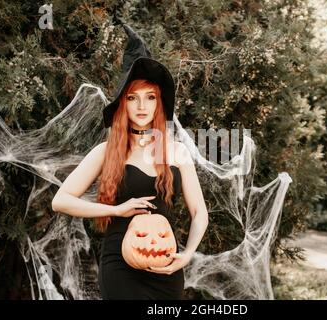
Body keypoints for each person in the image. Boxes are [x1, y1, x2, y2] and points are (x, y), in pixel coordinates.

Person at [51, 24, 208, 299]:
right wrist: (116, 209)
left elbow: (200, 213)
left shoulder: (177, 151)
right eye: (133, 98)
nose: (142, 106)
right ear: (123, 104)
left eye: (150, 98)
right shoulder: (106, 151)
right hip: (120, 264)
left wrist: (188, 255)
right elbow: (60, 201)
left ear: (159, 103)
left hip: (166, 264)